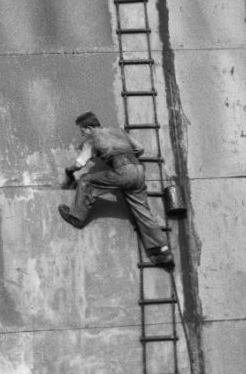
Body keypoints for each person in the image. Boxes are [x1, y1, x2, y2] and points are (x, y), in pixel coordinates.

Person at [59, 111, 174, 267]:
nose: (83, 134)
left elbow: (80, 163)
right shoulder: (119, 131)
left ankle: (76, 217)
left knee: (86, 181)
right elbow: (140, 149)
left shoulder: (92, 139)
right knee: (142, 211)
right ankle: (161, 251)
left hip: (123, 171)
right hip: (139, 171)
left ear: (89, 128)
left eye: (83, 131)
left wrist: (68, 171)